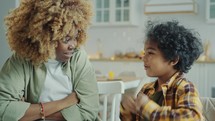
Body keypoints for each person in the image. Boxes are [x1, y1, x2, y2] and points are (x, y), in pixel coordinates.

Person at [0, 0, 100, 121]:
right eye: (66, 39)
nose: (73, 45)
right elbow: (3, 108)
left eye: (75, 37)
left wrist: (30, 112)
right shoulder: (22, 59)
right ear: (46, 36)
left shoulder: (78, 57)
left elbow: (89, 111)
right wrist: (64, 103)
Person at [120, 20, 204, 121]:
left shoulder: (185, 88)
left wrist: (147, 107)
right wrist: (126, 110)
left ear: (173, 59)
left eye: (150, 53)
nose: (143, 58)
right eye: (144, 52)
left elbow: (192, 117)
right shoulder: (147, 89)